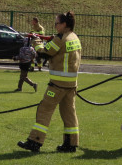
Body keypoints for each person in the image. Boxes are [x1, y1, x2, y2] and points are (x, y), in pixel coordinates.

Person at [18, 11, 81, 153]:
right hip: (71, 85)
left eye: (57, 23)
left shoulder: (60, 39)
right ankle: (71, 144)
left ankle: (35, 141)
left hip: (58, 85)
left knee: (44, 109)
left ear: (64, 24)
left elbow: (43, 52)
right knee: (69, 113)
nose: (55, 26)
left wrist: (36, 41)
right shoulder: (74, 37)